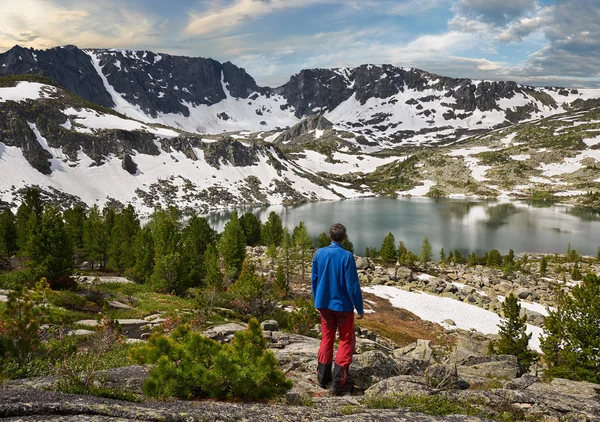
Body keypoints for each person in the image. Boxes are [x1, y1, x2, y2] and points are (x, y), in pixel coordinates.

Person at [311, 223, 364, 395]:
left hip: (324, 305)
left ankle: (322, 378)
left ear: (330, 237)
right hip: (343, 307)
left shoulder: (319, 253)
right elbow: (352, 285)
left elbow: (314, 280)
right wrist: (359, 307)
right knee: (345, 340)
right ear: (345, 238)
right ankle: (337, 383)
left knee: (327, 338)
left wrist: (317, 300)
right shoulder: (347, 256)